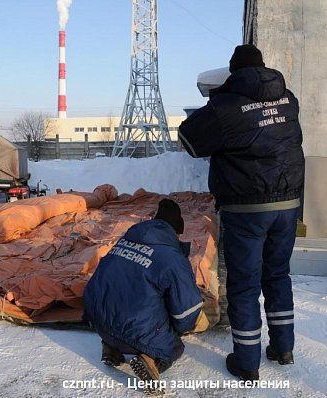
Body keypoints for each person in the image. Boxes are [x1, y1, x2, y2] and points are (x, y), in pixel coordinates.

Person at [178, 44, 304, 381]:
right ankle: (283, 348)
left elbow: (189, 140)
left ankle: (247, 363)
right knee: (277, 276)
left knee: (245, 284)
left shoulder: (226, 106)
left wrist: (217, 101)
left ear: (234, 73)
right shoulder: (288, 99)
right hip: (288, 205)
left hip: (247, 208)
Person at [83, 199, 205, 390]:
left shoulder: (126, 239)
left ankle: (110, 347)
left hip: (97, 319)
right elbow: (185, 314)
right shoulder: (173, 258)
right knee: (173, 346)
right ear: (176, 231)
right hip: (134, 331)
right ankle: (150, 361)